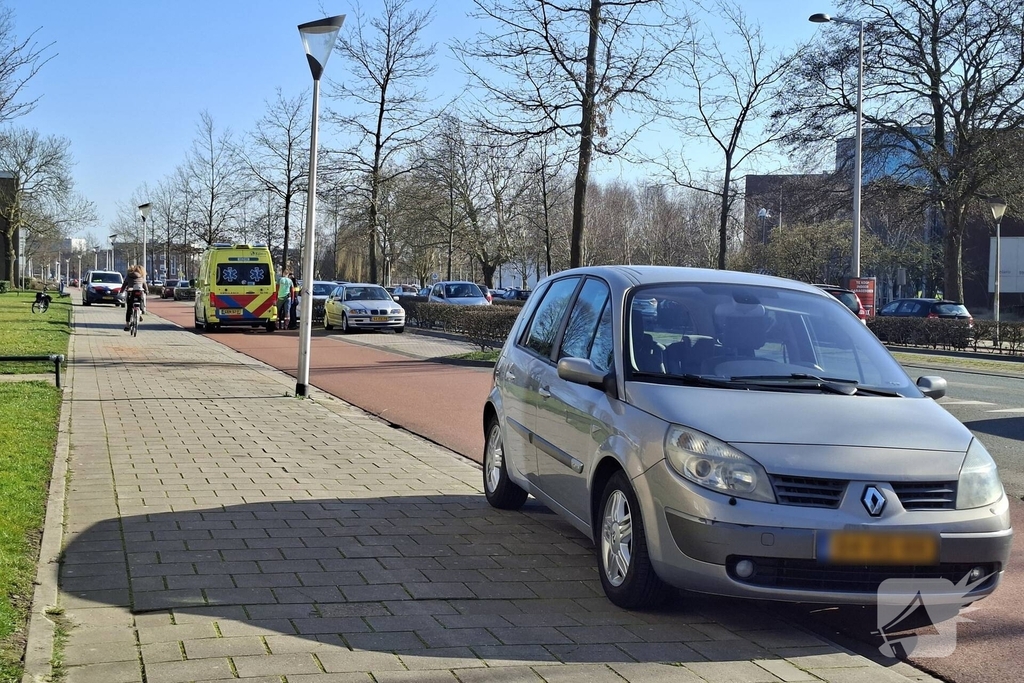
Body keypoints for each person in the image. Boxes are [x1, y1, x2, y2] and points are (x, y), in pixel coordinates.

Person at [122, 264, 148, 331]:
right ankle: (141, 311)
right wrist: (147, 291)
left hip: (131, 292)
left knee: (129, 307)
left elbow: (124, 284)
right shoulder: (141, 276)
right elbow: (145, 285)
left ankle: (127, 325)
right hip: (139, 292)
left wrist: (121, 291)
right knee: (142, 300)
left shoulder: (129, 276)